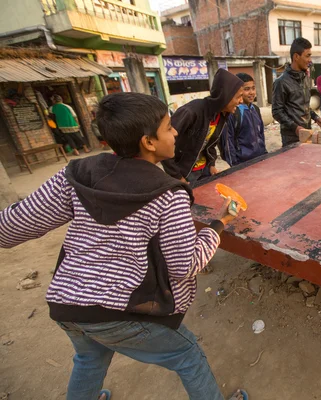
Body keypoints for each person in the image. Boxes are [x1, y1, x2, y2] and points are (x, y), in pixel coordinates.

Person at [0, 92, 248, 400]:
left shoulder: (75, 175)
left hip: (68, 305)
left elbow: (8, 229)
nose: (175, 133)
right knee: (188, 357)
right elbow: (185, 266)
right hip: (118, 312)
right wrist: (219, 224)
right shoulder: (168, 195)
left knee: (90, 358)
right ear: (148, 142)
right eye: (169, 127)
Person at [162, 69, 244, 185]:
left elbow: (210, 143)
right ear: (226, 95)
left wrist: (211, 164)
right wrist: (177, 177)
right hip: (185, 173)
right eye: (238, 97)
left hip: (204, 171)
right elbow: (164, 144)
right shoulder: (191, 112)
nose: (241, 101)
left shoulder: (221, 115)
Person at [272, 37, 321, 147]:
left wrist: (316, 118)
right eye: (307, 56)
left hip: (307, 132)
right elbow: (277, 112)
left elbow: (305, 106)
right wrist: (295, 128)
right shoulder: (281, 82)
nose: (310, 60)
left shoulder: (305, 79)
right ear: (296, 56)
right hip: (291, 138)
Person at [224, 73, 267, 166]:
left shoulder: (255, 109)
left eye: (253, 88)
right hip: (243, 163)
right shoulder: (233, 112)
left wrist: (264, 154)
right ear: (238, 91)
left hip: (260, 159)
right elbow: (228, 143)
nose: (251, 92)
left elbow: (261, 134)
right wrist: (235, 166)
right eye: (247, 89)